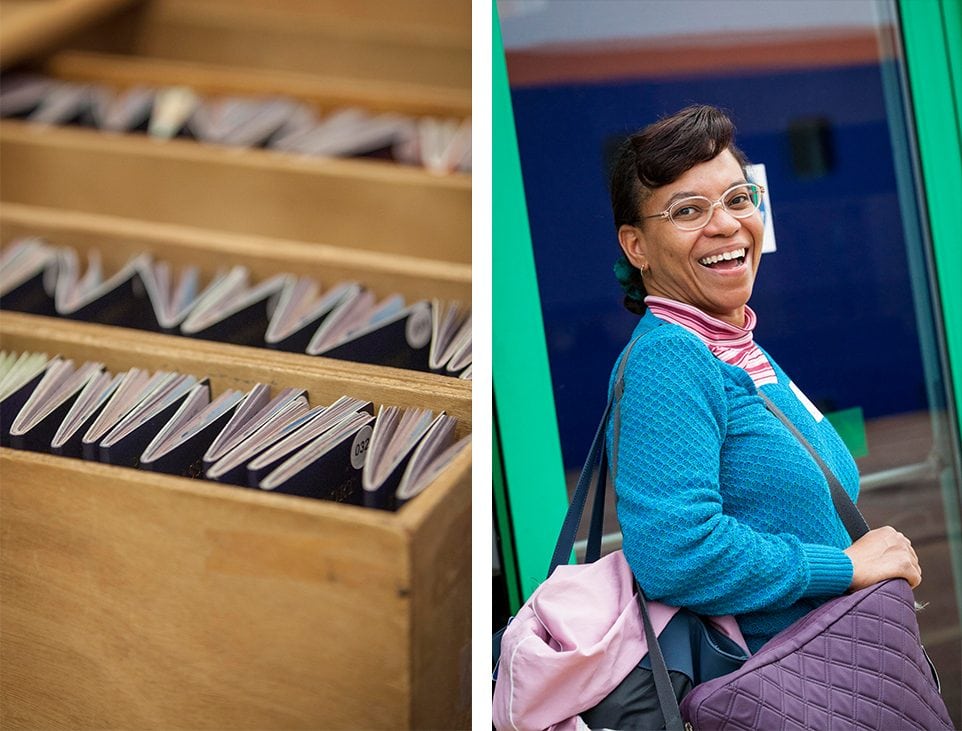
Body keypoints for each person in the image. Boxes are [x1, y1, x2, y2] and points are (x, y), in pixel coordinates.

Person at [607, 104, 921, 653]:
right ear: (637, 247)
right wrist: (842, 567)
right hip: (783, 688)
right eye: (687, 210)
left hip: (837, 664)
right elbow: (677, 553)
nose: (726, 224)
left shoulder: (734, 345)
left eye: (737, 198)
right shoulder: (671, 360)